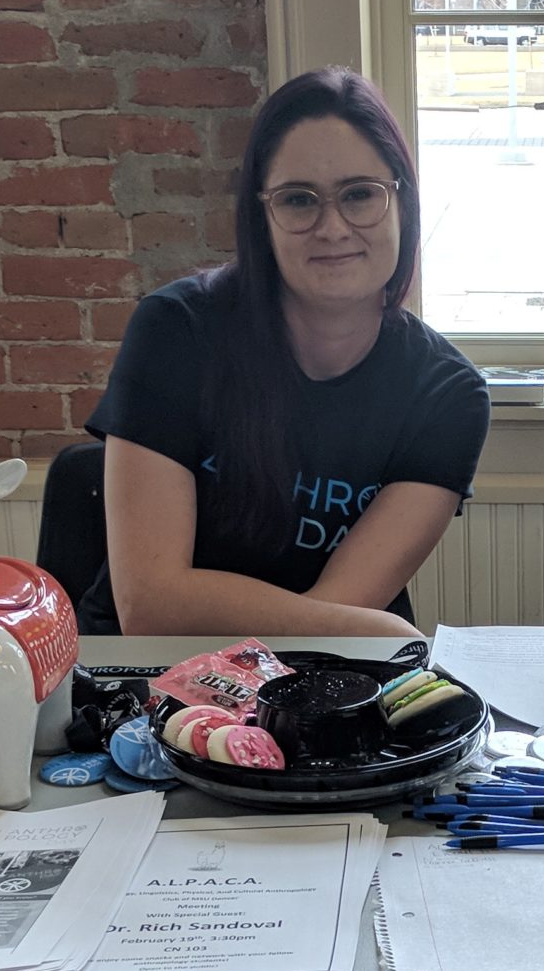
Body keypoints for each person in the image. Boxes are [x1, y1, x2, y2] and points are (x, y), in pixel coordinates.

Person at [77, 67, 489, 637]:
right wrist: (381, 631)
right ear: (261, 217)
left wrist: (336, 627)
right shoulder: (176, 330)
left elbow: (321, 633)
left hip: (325, 682)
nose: (333, 227)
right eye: (299, 200)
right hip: (142, 678)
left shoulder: (447, 394)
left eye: (360, 195)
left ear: (403, 203)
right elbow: (149, 608)